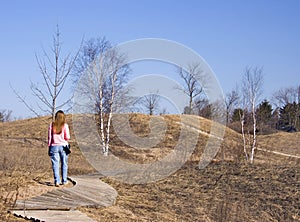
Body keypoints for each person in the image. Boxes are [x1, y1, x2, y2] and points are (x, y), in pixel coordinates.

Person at [48, 110, 70, 187]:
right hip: (64, 146)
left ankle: (57, 181)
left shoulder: (51, 125)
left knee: (55, 164)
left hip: (54, 146)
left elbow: (50, 138)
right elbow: (67, 137)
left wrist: (49, 146)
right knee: (64, 163)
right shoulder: (65, 125)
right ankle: (64, 180)